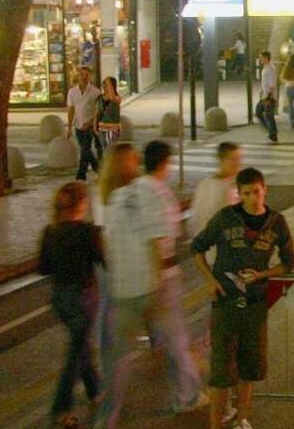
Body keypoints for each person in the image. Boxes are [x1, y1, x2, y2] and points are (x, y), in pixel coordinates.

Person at [97, 145, 205, 428]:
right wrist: (157, 284)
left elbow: (106, 245)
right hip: (155, 283)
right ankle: (187, 397)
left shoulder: (110, 199)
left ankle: (108, 416)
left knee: (118, 357)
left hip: (122, 289)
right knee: (176, 343)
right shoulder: (150, 192)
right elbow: (156, 242)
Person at [193, 167, 294, 429]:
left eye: (257, 192)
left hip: (255, 305)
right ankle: (216, 424)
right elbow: (198, 247)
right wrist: (211, 280)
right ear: (238, 194)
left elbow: (289, 262)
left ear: (265, 190)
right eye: (247, 193)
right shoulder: (225, 218)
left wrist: (263, 274)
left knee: (249, 367)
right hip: (226, 303)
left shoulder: (276, 222)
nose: (252, 198)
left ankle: (242, 419)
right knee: (220, 370)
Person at [38, 182, 104, 429]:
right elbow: (103, 259)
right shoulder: (87, 232)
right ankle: (61, 409)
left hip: (60, 299)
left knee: (80, 344)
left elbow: (43, 267)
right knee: (74, 355)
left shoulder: (50, 232)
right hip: (82, 299)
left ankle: (95, 388)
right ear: (81, 205)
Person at [191, 142, 242, 240]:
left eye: (239, 159)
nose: (238, 164)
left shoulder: (205, 184)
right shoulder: (209, 186)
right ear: (222, 161)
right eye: (233, 160)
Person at [67, 66, 101, 181]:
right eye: (82, 75)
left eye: (87, 75)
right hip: (78, 125)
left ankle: (80, 176)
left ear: (90, 76)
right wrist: (69, 127)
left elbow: (99, 111)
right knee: (85, 150)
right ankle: (99, 169)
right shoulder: (72, 92)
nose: (84, 77)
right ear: (78, 76)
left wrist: (91, 122)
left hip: (90, 126)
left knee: (85, 149)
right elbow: (71, 109)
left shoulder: (95, 92)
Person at [94, 76, 122, 163]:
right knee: (104, 150)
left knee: (110, 152)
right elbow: (97, 113)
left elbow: (112, 97)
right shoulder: (100, 98)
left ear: (112, 86)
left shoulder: (116, 98)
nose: (104, 88)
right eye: (103, 86)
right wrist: (95, 127)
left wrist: (108, 81)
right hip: (102, 128)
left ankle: (111, 167)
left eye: (106, 86)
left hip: (112, 130)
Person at [257, 51, 279, 143]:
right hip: (264, 96)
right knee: (259, 112)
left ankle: (273, 135)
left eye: (261, 57)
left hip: (269, 97)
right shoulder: (266, 67)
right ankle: (271, 130)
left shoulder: (270, 69)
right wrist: (262, 90)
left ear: (266, 58)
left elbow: (272, 85)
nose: (260, 59)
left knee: (269, 116)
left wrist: (269, 98)